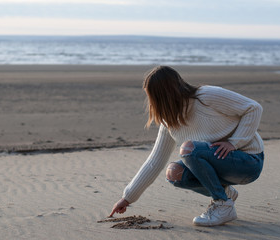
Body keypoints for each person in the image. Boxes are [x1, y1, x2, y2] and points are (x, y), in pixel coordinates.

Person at [109, 66, 264, 227]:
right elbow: (155, 161)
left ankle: (222, 205)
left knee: (190, 149)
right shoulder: (169, 122)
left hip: (249, 162)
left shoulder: (206, 96)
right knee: (174, 172)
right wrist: (127, 198)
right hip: (222, 165)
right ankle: (225, 195)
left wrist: (234, 142)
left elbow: (253, 108)